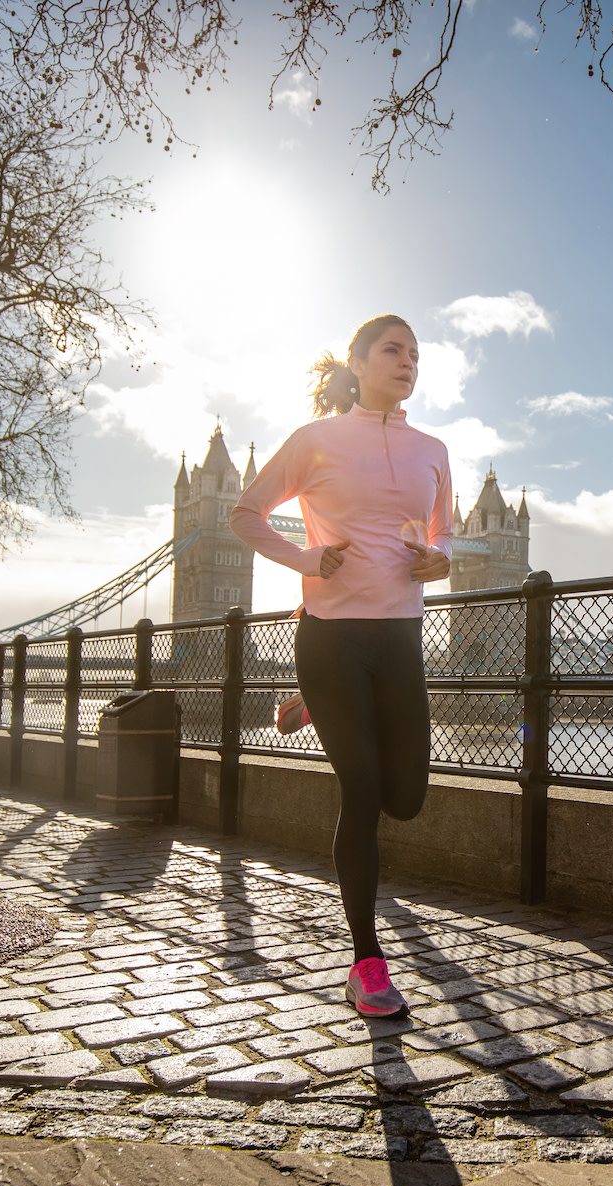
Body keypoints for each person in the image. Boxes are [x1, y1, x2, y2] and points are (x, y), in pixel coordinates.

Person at [230, 315, 452, 1018]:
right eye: (392, 350)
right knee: (361, 793)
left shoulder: (433, 449)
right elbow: (245, 513)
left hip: (400, 638)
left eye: (415, 354)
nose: (407, 361)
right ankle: (367, 962)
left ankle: (306, 706)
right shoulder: (315, 440)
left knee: (407, 798)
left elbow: (440, 537)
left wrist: (438, 561)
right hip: (330, 635)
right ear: (357, 362)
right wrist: (302, 559)